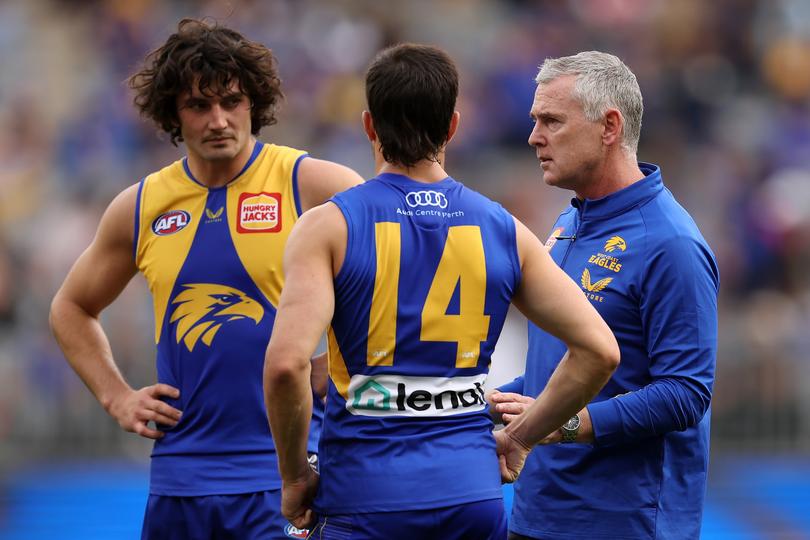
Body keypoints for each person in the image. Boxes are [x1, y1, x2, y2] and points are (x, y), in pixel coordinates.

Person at [263, 43, 620, 540]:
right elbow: (600, 351)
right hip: (469, 496)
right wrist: (520, 437)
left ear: (369, 126)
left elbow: (285, 365)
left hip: (365, 498)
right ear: (452, 126)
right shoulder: (503, 228)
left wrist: (295, 476)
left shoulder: (329, 227)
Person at [49, 18, 362, 540]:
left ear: (254, 104)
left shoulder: (315, 184)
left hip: (289, 474)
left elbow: (391, 286)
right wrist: (117, 396)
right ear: (172, 113)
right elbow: (71, 308)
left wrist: (336, 351)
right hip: (179, 477)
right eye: (198, 105)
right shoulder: (141, 205)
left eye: (231, 102)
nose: (218, 119)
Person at [488, 51, 719, 540]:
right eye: (534, 120)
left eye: (551, 120)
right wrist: (492, 399)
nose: (534, 136)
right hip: (537, 514)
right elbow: (554, 369)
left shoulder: (670, 242)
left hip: (622, 523)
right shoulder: (570, 222)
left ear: (609, 126)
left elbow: (686, 392)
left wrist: (562, 424)